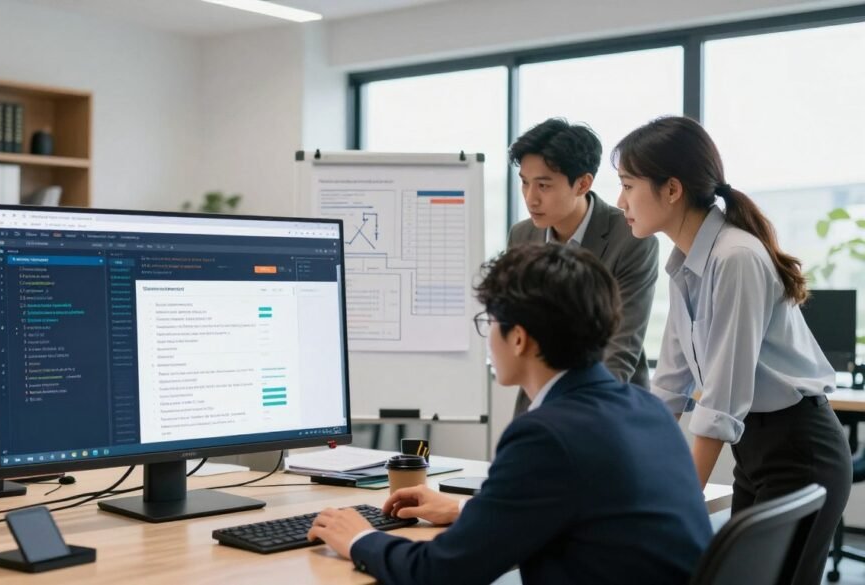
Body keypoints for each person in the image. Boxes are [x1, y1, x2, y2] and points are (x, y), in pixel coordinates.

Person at [307, 244, 712, 585]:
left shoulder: (545, 435)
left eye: (490, 322)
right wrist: (468, 510)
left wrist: (358, 537)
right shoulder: (646, 409)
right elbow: (585, 512)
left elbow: (441, 573)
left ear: (518, 338)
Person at [614, 115, 851, 585]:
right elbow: (670, 386)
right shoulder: (684, 265)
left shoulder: (735, 257)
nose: (620, 202)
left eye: (627, 185)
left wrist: (673, 510)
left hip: (800, 451)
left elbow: (719, 403)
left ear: (672, 189)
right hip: (756, 453)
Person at [507, 118, 657, 415]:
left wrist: (576, 416)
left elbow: (621, 348)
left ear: (583, 183)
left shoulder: (631, 238)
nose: (530, 197)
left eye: (544, 185)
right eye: (524, 182)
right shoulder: (522, 236)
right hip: (538, 404)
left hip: (609, 403)